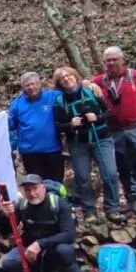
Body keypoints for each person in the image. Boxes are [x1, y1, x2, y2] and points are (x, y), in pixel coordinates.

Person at [0, 174, 80, 272]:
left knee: (65, 251)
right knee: (8, 263)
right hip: (30, 250)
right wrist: (5, 215)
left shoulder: (59, 204)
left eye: (35, 189)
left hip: (53, 248)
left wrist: (40, 244)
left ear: (43, 188)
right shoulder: (22, 206)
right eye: (27, 190)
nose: (32, 194)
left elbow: (69, 234)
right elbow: (6, 231)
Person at [92, 46, 136, 216]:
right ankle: (130, 196)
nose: (111, 63)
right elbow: (83, 87)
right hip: (113, 130)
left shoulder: (135, 76)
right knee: (122, 165)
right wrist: (87, 83)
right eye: (108, 60)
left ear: (123, 60)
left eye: (114, 59)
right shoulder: (101, 81)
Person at [53, 67, 122, 224]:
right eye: (62, 78)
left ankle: (112, 209)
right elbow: (57, 125)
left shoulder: (91, 91)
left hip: (101, 138)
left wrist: (97, 117)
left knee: (109, 173)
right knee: (82, 177)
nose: (66, 79)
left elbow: (108, 112)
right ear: (59, 83)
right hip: (78, 143)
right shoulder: (59, 101)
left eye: (68, 75)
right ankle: (88, 211)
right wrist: (70, 124)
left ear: (75, 76)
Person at [8, 72, 64, 183]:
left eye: (34, 84)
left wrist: (88, 83)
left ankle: (59, 201)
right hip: (30, 153)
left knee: (56, 183)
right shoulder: (17, 103)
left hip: (52, 149)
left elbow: (71, 91)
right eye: (27, 85)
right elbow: (9, 125)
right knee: (36, 185)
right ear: (23, 87)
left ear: (39, 84)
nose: (31, 87)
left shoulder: (53, 96)